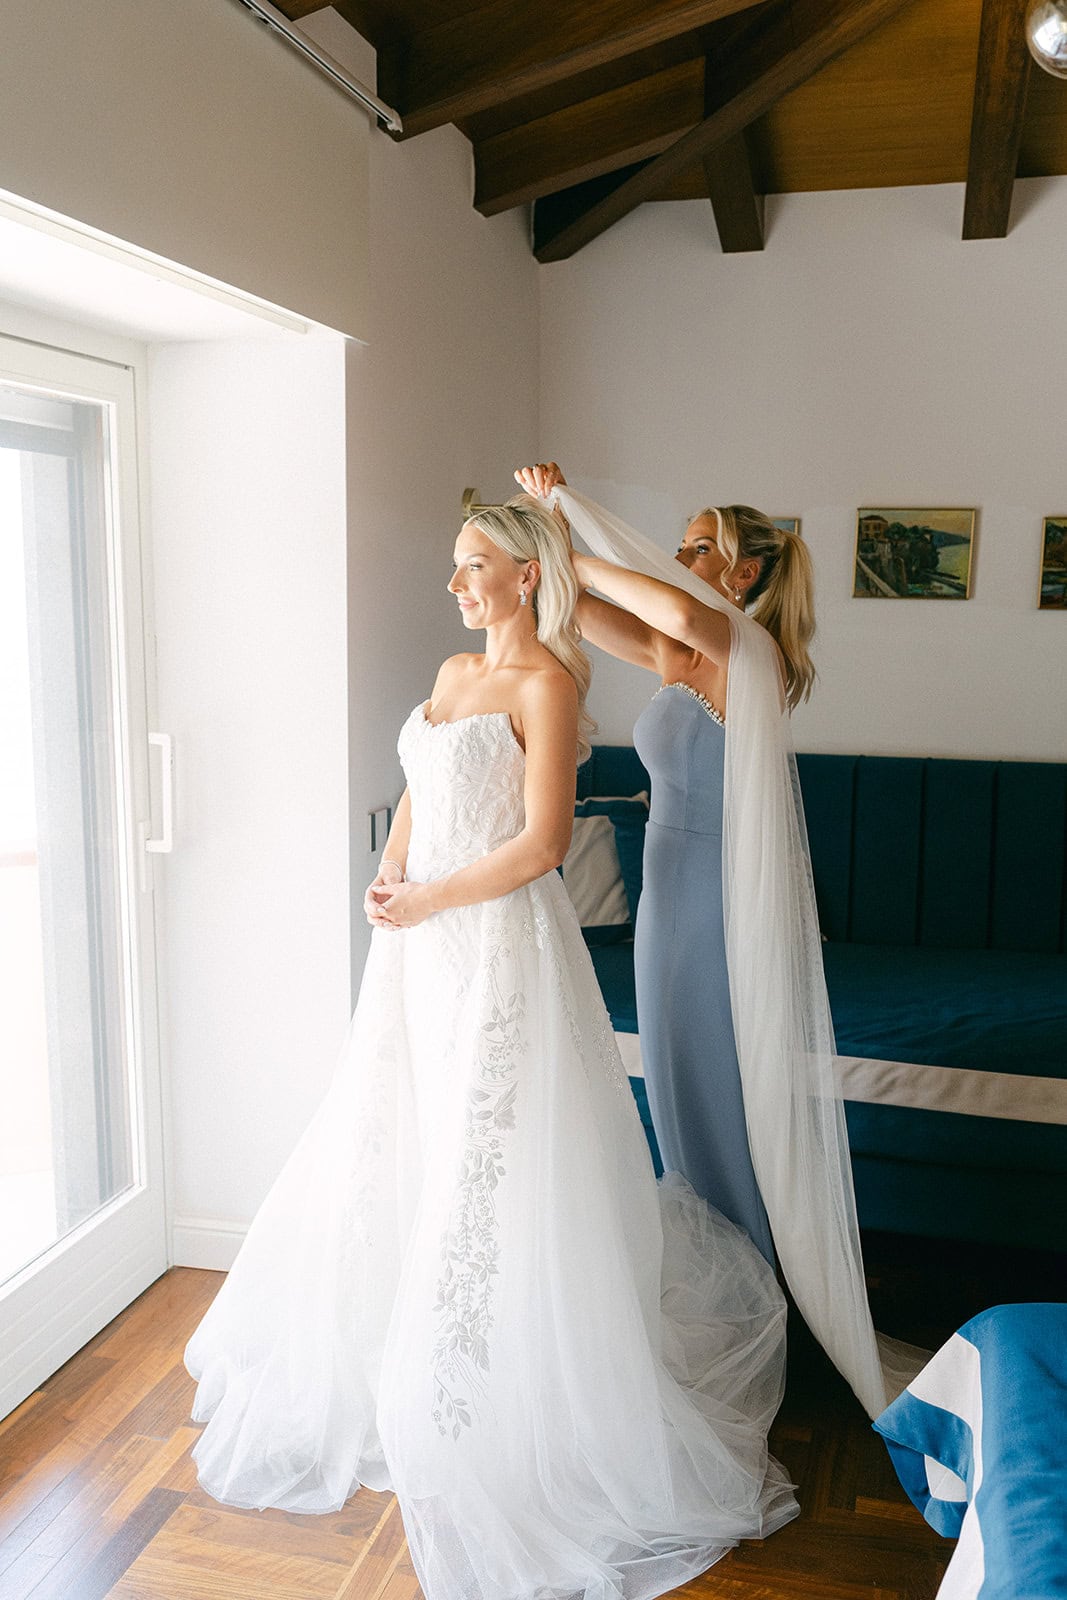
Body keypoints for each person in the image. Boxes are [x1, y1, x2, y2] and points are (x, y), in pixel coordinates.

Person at [184, 497, 799, 1600]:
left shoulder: (548, 684)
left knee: (493, 1149)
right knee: (405, 1124)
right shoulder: (451, 670)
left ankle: (487, 1368)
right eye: (456, 564)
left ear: (524, 577)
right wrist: (392, 872)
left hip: (496, 944)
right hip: (417, 952)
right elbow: (423, 789)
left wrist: (427, 900)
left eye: (475, 566)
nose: (456, 584)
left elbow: (542, 844)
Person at [514, 465, 914, 1422]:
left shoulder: (742, 648)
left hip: (712, 903)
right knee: (676, 1083)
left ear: (742, 574)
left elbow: (659, 602)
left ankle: (750, 1296)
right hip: (668, 895)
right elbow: (586, 617)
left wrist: (566, 531)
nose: (680, 556)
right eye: (682, 544)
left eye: (699, 547)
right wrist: (539, 556)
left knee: (710, 1086)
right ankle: (710, 1281)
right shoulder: (684, 652)